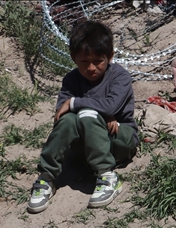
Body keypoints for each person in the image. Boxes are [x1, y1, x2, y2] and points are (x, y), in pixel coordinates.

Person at [27, 20, 138, 214]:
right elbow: (61, 117)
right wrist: (102, 114)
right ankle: (46, 177)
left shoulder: (119, 77)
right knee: (69, 120)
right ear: (74, 58)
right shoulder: (71, 80)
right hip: (85, 147)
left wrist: (75, 103)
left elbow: (110, 105)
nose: (91, 68)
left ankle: (107, 175)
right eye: (84, 62)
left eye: (98, 61)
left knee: (86, 114)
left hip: (119, 141)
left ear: (110, 56)